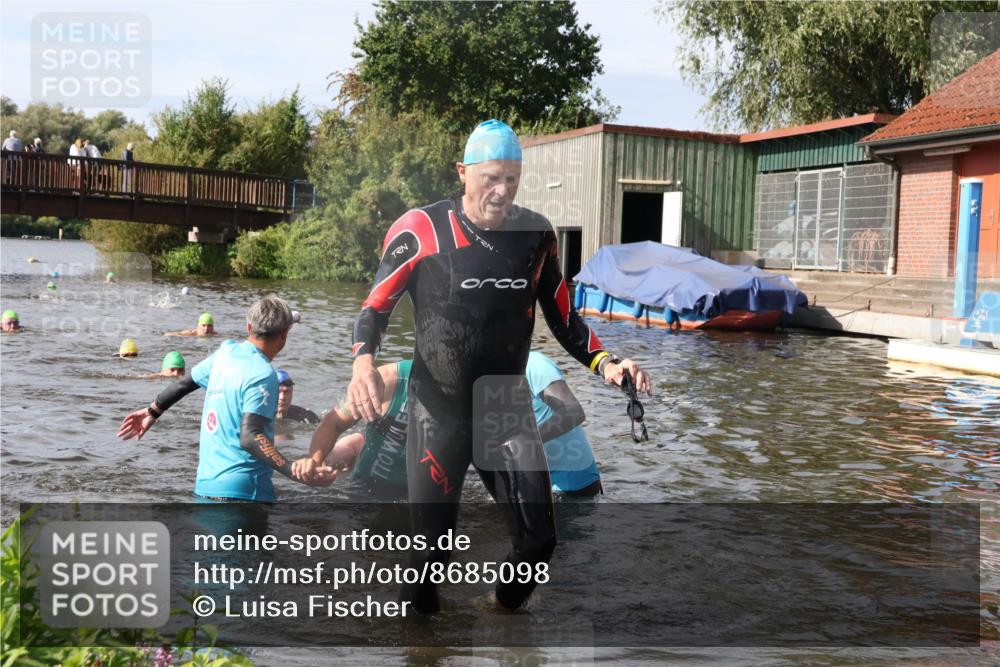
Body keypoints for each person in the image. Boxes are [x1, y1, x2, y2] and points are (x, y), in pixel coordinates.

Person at [342, 119, 652, 613]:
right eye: (491, 177)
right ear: (463, 172)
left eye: (512, 177)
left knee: (537, 544)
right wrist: (363, 365)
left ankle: (498, 614)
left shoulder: (535, 235)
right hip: (437, 411)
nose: (502, 190)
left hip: (502, 408)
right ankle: (418, 645)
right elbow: (375, 307)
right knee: (430, 557)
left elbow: (565, 318)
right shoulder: (420, 229)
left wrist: (607, 363)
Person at [117, 296, 334, 501]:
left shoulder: (224, 353)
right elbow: (250, 436)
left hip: (205, 485)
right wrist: (291, 469)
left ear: (249, 327)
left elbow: (184, 383)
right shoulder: (263, 373)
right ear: (284, 335)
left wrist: (152, 411)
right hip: (246, 493)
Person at [311, 352, 602, 496]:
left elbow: (572, 412)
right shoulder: (396, 379)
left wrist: (521, 443)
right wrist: (315, 460)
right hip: (530, 485)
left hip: (573, 488)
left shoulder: (532, 363)